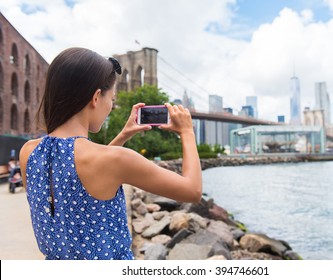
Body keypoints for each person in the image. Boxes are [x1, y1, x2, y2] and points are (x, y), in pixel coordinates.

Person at [19, 47, 202, 260]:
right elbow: (193, 190)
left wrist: (123, 135)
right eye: (111, 99)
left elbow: (80, 176)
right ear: (96, 97)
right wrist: (187, 132)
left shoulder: (29, 152)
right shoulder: (115, 160)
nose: (111, 106)